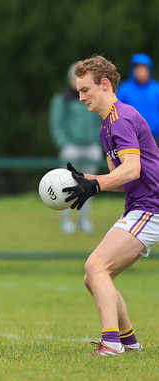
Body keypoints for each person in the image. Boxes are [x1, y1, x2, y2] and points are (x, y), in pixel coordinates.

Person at [62, 55, 159, 355]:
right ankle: (128, 341)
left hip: (151, 207)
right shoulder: (107, 126)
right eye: (78, 90)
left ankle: (111, 344)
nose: (80, 97)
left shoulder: (121, 118)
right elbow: (122, 179)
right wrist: (86, 180)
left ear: (105, 85)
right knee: (92, 277)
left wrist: (96, 184)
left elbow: (133, 170)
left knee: (96, 265)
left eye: (85, 90)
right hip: (139, 206)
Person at [49, 62, 103, 234]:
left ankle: (84, 220)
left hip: (91, 147)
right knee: (66, 184)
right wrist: (63, 144)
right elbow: (56, 123)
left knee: (89, 184)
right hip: (71, 147)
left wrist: (97, 140)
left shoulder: (92, 97)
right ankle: (65, 220)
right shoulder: (62, 98)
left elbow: (99, 120)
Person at [117, 53, 159, 146]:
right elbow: (117, 113)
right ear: (133, 71)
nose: (141, 72)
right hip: (131, 138)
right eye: (138, 69)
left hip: (154, 138)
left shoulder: (156, 89)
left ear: (149, 70)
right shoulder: (125, 89)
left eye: (144, 69)